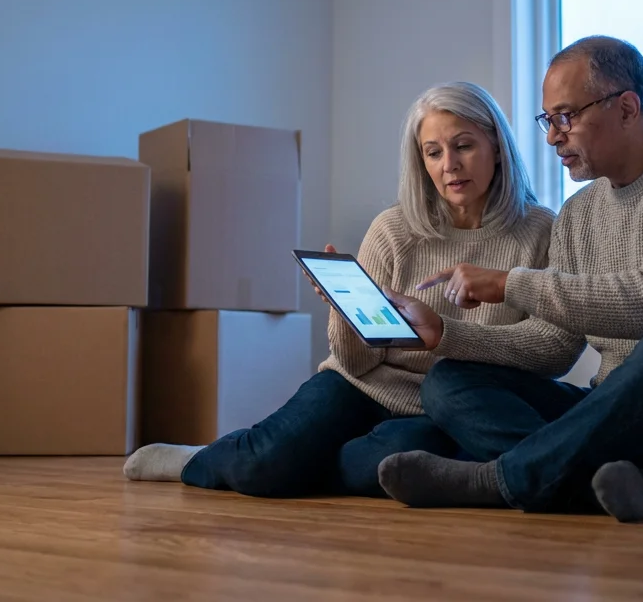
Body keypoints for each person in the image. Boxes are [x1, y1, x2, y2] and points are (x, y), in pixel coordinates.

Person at [373, 36, 643, 522]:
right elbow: (553, 348)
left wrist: (510, 283)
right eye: (547, 121)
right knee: (449, 380)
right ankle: (623, 483)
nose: (551, 137)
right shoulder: (578, 214)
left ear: (626, 107)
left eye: (566, 117)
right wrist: (445, 333)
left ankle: (503, 479)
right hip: (627, 431)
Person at [123, 81, 558, 498]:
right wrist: (345, 311)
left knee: (378, 465)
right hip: (357, 383)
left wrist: (447, 333)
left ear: (496, 148)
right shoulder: (395, 229)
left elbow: (548, 352)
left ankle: (286, 460)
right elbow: (355, 360)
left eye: (464, 145)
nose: (450, 164)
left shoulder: (540, 231)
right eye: (433, 152)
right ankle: (207, 459)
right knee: (263, 465)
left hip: (443, 405)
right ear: (421, 163)